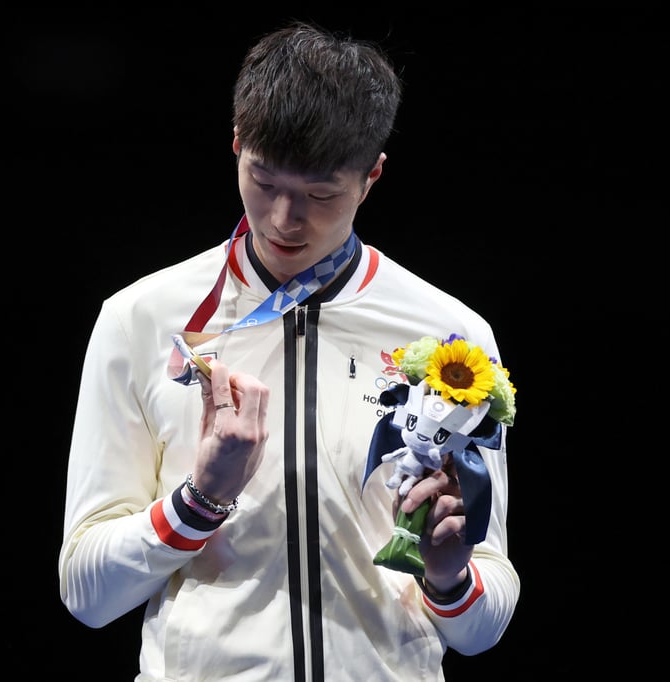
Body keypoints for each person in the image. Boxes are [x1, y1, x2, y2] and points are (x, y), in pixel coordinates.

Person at [58, 20, 519, 680]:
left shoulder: (452, 340)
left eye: (320, 195)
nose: (283, 219)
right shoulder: (141, 317)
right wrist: (200, 500)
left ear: (372, 177)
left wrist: (449, 579)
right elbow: (87, 595)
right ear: (238, 143)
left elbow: (483, 625)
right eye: (264, 179)